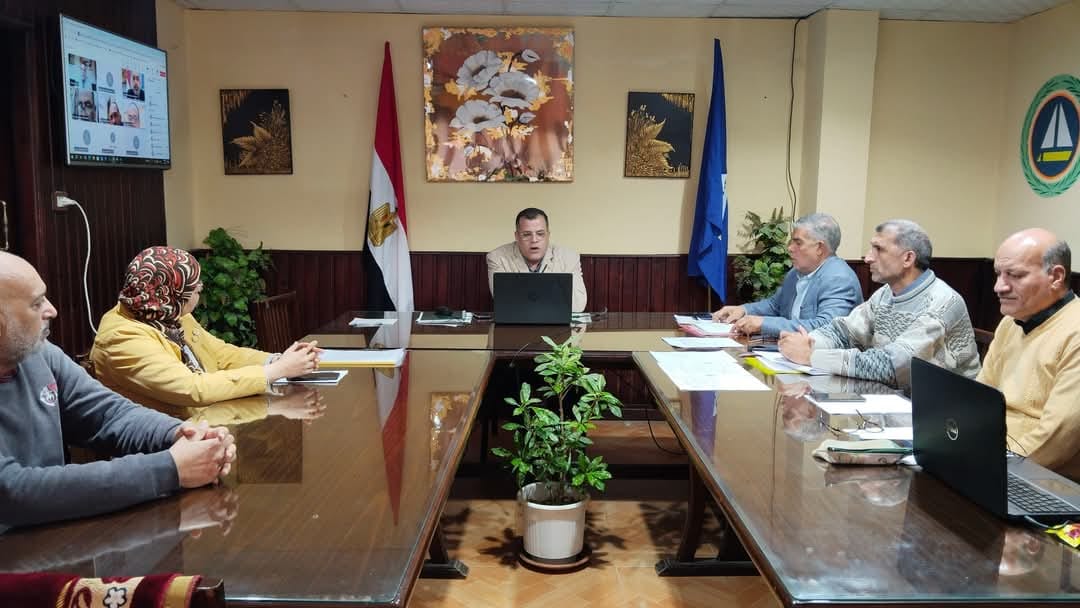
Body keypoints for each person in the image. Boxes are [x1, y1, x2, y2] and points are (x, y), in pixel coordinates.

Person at [0, 251, 235, 529]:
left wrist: (183, 434)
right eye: (37, 303)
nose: (52, 310)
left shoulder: (40, 353)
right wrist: (170, 468)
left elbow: (109, 414)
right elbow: (13, 491)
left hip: (54, 537)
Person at [91, 246, 319, 419]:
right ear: (170, 293)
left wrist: (277, 360)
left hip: (208, 422)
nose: (200, 291)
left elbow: (220, 353)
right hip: (162, 444)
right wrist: (275, 371)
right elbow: (192, 389)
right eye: (194, 289)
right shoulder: (122, 338)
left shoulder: (167, 313)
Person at [778, 219, 980, 389]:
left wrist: (812, 356)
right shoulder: (885, 293)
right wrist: (807, 342)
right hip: (894, 400)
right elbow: (845, 332)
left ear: (908, 258)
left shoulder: (943, 302)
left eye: (879, 249)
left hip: (947, 412)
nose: (867, 258)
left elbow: (893, 366)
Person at [977, 229, 1080, 479]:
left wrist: (986, 467)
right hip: (989, 455)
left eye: (1015, 275)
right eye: (998, 274)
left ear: (1056, 277)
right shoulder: (1011, 322)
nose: (999, 287)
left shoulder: (1074, 331)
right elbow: (980, 397)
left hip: (1039, 476)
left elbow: (1055, 439)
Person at [712, 213, 862, 337]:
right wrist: (743, 310)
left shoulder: (839, 279)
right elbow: (774, 305)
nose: (790, 248)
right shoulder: (795, 273)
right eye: (791, 242)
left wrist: (763, 324)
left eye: (798, 243)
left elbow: (826, 328)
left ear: (819, 248)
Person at [486, 207, 587, 312]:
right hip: (516, 321)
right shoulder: (497, 258)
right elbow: (505, 303)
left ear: (548, 235)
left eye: (540, 234)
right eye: (526, 234)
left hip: (557, 322)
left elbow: (577, 306)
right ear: (517, 236)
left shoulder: (569, 258)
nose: (534, 240)